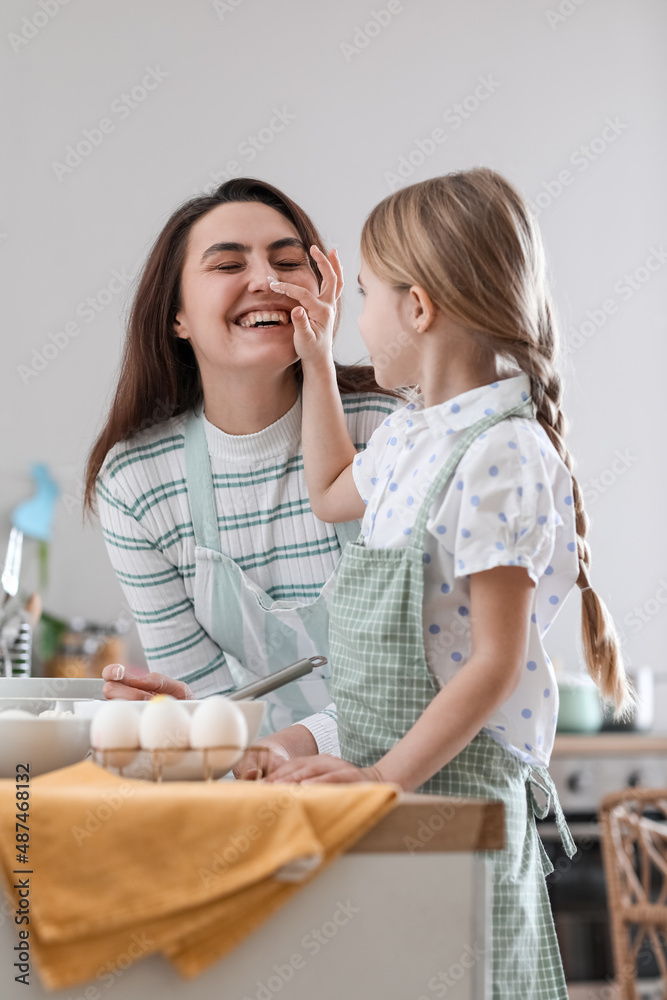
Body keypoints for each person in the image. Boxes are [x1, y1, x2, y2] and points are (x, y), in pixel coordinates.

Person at [261, 168, 632, 998]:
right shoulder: (407, 438)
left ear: (417, 309)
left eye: (362, 295)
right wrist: (315, 361)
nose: (354, 318)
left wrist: (380, 778)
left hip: (451, 806)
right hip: (387, 796)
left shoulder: (502, 453)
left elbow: (492, 662)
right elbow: (329, 492)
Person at [83, 178, 400, 753]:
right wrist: (171, 726)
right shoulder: (138, 484)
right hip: (269, 801)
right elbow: (205, 706)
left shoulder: (390, 433)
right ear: (177, 316)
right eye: (228, 264)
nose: (266, 280)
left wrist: (283, 750)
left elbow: (425, 675)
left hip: (420, 792)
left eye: (287, 261)